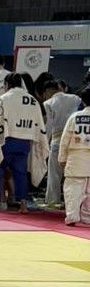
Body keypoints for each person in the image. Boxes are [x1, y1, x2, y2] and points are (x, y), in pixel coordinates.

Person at [0, 73, 46, 212]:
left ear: (6, 84)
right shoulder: (32, 100)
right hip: (24, 143)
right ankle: (23, 205)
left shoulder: (3, 99)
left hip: (5, 141)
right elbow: (40, 122)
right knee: (21, 174)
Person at [42, 80, 82, 206]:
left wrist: (44, 145)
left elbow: (48, 126)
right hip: (75, 140)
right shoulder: (75, 98)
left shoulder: (48, 103)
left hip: (57, 140)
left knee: (54, 173)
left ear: (48, 91)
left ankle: (53, 200)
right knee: (72, 174)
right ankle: (73, 201)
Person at [58, 87, 90, 225]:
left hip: (76, 158)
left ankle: (72, 216)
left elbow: (65, 139)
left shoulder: (74, 117)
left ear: (83, 101)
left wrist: (62, 157)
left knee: (73, 189)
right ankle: (87, 217)